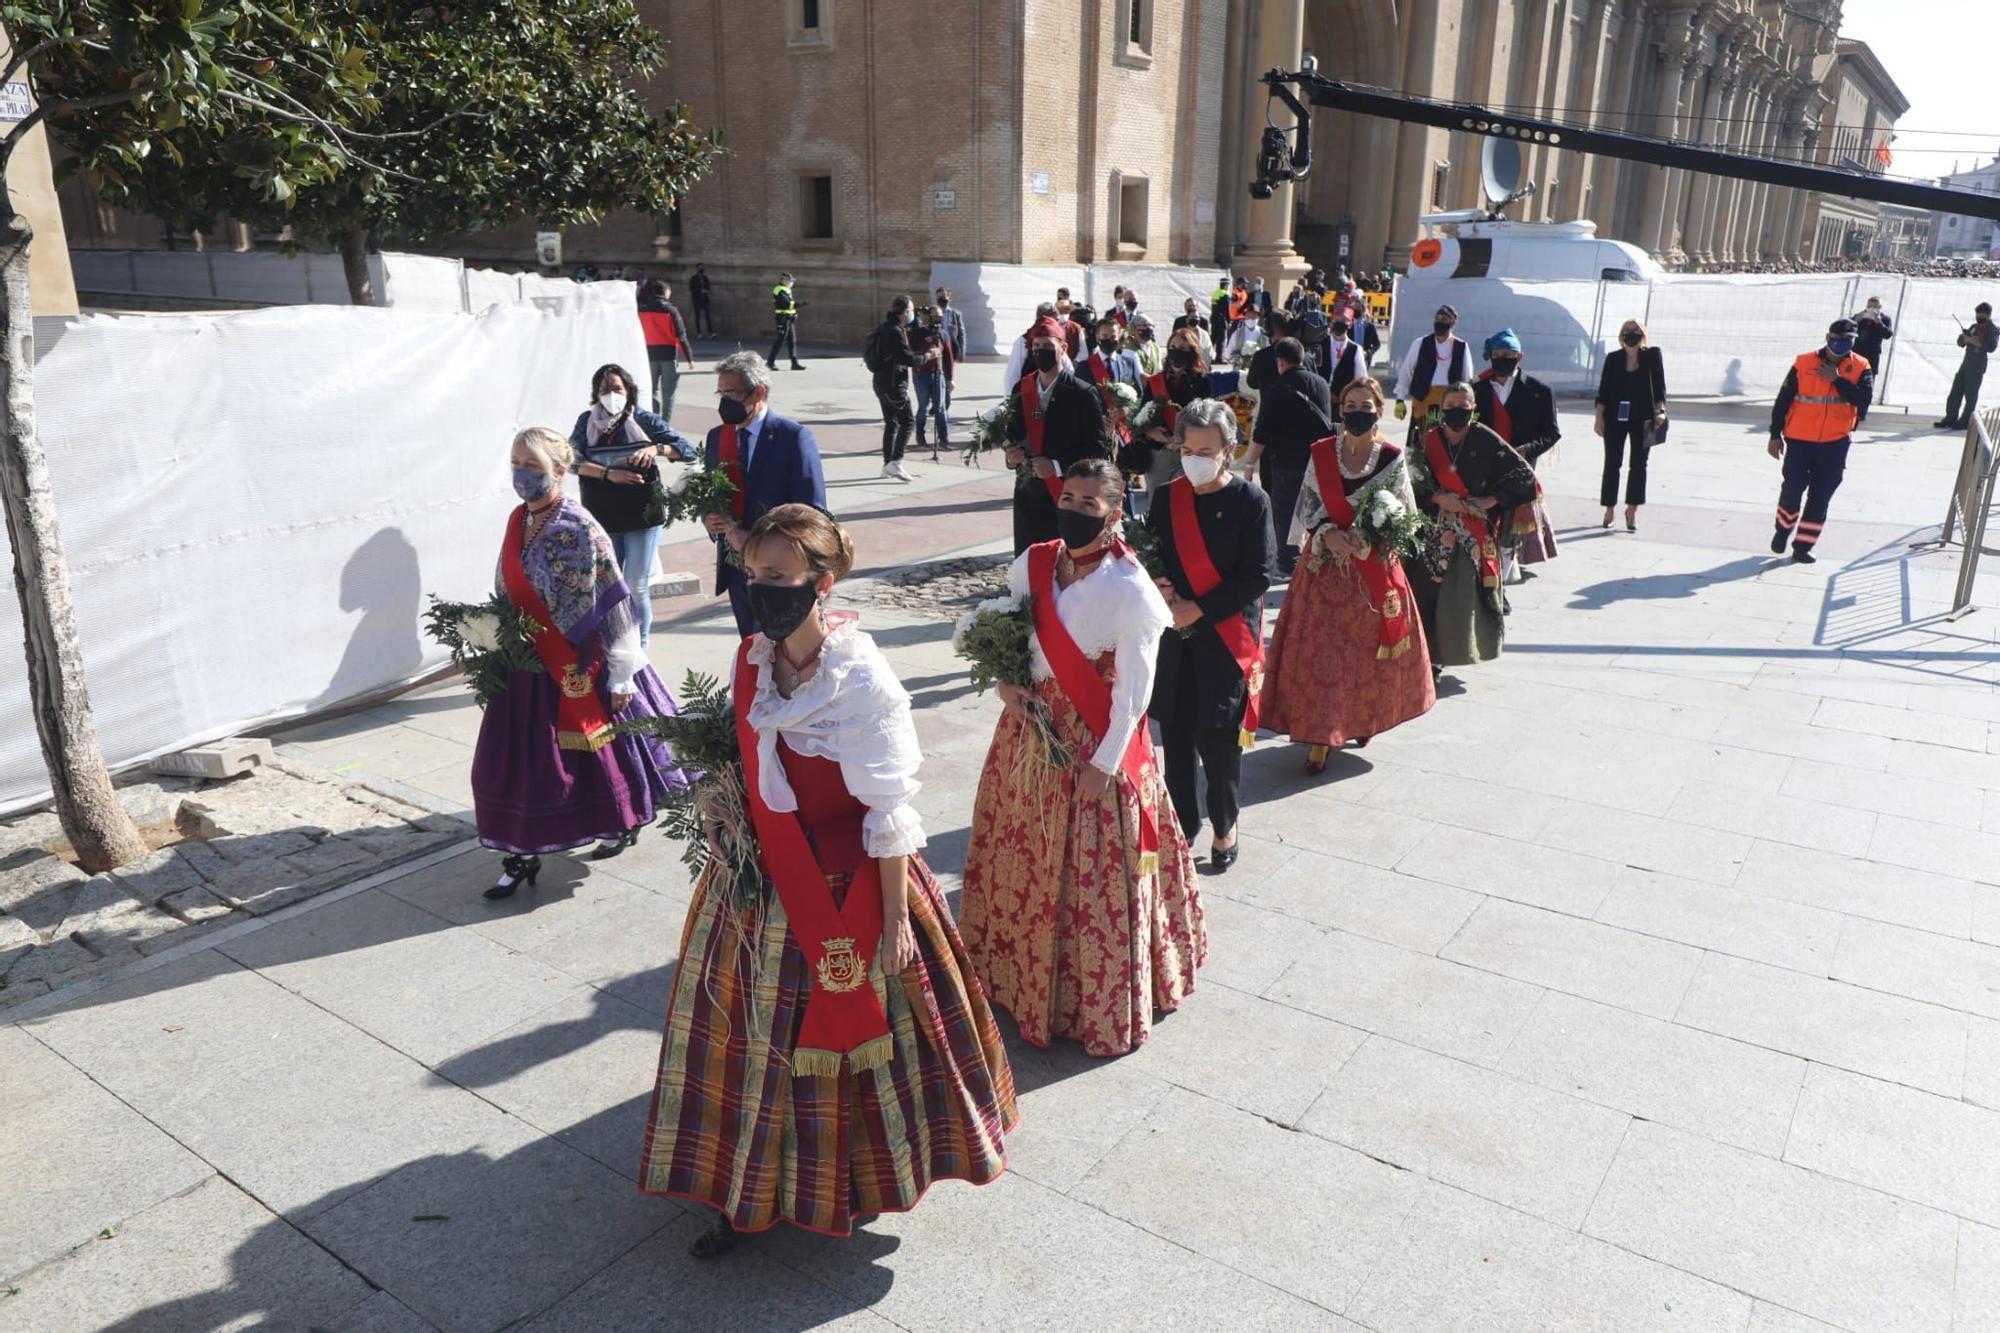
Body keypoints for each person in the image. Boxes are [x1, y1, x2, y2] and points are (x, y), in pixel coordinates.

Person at [640, 503, 1016, 1258]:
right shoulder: (753, 656)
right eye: (753, 575)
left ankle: (855, 1181)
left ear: (823, 581)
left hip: (853, 883)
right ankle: (740, 1188)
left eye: (778, 577)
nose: (761, 590)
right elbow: (746, 757)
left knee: (852, 1041)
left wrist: (899, 919)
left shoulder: (863, 679)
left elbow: (887, 808)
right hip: (762, 876)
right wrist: (722, 804)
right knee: (748, 1041)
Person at [959, 459, 1205, 1056]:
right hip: (1029, 734)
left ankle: (1087, 998)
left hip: (1091, 744)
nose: (1072, 507)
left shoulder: (1131, 591)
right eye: (1068, 495)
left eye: (1089, 503)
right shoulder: (1035, 562)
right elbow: (1014, 635)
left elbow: (1133, 696)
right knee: (1021, 852)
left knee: (1087, 872)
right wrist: (1004, 683)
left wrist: (1105, 763)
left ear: (1115, 513)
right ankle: (1016, 978)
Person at [472, 427, 690, 893]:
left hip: (578, 665)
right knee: (520, 765)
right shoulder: (518, 520)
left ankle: (618, 822)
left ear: (560, 470)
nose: (521, 473)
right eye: (516, 462)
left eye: (533, 465)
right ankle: (520, 852)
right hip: (526, 665)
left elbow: (613, 600)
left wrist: (623, 670)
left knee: (591, 761)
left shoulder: (579, 527)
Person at [1260, 377, 1435, 773]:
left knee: (1361, 656)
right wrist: (1327, 533)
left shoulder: (1391, 457)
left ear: (1379, 411)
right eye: (1351, 404)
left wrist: (1366, 537)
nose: (1358, 411)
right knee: (1323, 655)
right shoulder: (1321, 453)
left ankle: (1357, 719)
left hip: (1370, 571)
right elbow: (1306, 507)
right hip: (1324, 569)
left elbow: (1405, 516)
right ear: (1342, 410)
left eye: (1366, 405)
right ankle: (1321, 735)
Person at [1146, 401, 1275, 869]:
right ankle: (1181, 827)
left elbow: (1259, 574)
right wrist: (1158, 584)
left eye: (1206, 449)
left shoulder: (1250, 502)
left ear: (1228, 451)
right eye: (1188, 447)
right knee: (1175, 736)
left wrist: (1197, 607)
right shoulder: (1166, 497)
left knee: (1217, 739)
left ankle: (1225, 824)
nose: (1194, 457)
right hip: (1176, 641)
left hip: (1223, 637)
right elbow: (1152, 555)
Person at [1408, 382, 1539, 676]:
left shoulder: (1486, 440)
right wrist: (1436, 497)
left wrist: (1491, 500)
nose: (1456, 412)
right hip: (1432, 528)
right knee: (1425, 591)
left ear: (1474, 409)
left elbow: (1526, 478)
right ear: (1440, 410)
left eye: (1463, 407)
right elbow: (1411, 484)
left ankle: (1445, 655)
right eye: (1450, 407)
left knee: (1457, 598)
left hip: (1472, 531)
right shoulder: (1428, 441)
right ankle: (1423, 654)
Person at [702, 352, 829, 635]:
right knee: (750, 649)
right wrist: (711, 521)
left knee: (781, 648)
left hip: (780, 573)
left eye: (732, 393)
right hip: (737, 570)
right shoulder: (717, 437)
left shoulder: (793, 437)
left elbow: (812, 513)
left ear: (758, 392)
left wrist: (760, 541)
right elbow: (711, 493)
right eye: (720, 393)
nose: (724, 402)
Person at [568, 363, 691, 649]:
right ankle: (614, 645)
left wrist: (655, 449)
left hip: (642, 516)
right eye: (604, 389)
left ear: (629, 391)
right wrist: (608, 473)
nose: (611, 395)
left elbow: (684, 448)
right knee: (610, 587)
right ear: (596, 394)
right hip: (604, 516)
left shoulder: (644, 420)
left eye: (617, 388)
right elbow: (570, 460)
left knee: (636, 586)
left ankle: (640, 649)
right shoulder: (586, 422)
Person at [1769, 318, 1875, 564]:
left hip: (1834, 443)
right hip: (1799, 440)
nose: (1842, 345)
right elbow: (1783, 400)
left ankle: (1803, 546)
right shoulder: (1804, 363)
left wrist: (1836, 380)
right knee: (1792, 489)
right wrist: (1775, 434)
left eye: (1848, 341)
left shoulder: (1861, 366)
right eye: (1838, 340)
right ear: (1828, 338)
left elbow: (1863, 400)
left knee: (1821, 496)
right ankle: (1783, 530)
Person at [1005, 317, 1109, 553]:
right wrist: (1011, 455)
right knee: (1028, 555)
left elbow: (1096, 448)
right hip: (1028, 491)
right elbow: (1012, 433)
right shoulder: (1021, 390)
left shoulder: (1083, 393)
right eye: (1036, 347)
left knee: (1063, 558)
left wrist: (1056, 466)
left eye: (1047, 347)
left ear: (1063, 348)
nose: (1041, 352)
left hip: (1066, 493)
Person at [1473, 329, 1561, 576]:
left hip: (1521, 468)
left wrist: (1528, 449)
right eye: (1497, 354)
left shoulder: (1539, 391)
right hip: (1484, 468)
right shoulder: (1476, 390)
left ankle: (1503, 574)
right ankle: (1487, 568)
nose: (1502, 359)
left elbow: (1552, 432)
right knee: (1487, 518)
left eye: (1508, 354)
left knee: (1512, 522)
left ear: (1519, 356)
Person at [1244, 337, 1332, 579]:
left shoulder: (1278, 388)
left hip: (1287, 462)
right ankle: (1315, 557)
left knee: (1285, 513)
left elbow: (1262, 432)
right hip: (1319, 459)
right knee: (1315, 510)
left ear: (1280, 363)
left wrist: (1250, 463)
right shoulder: (1322, 384)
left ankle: (1288, 564)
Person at [1134, 327, 1241, 495]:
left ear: (1192, 352)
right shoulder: (1155, 381)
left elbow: (1209, 419)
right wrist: (1151, 432)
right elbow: (1141, 419)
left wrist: (1182, 441)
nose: (1177, 352)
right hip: (1160, 454)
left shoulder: (1202, 382)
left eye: (1183, 349)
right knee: (1160, 502)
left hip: (1193, 454)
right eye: (1173, 348)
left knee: (1190, 500)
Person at [1594, 319, 1668, 532]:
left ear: (1642, 334)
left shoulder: (1652, 355)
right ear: (1621, 335)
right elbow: (1603, 391)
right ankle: (1609, 508)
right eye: (1627, 331)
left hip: (1643, 417)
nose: (1631, 334)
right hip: (1615, 417)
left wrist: (1660, 411)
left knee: (1639, 464)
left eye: (1635, 331)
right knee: (1612, 463)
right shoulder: (1613, 358)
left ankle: (1632, 509)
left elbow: (1660, 387)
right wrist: (1599, 418)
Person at [1392, 304, 1473, 444]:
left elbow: (1467, 379)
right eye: (1437, 318)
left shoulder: (1462, 347)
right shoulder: (1420, 343)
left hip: (1449, 404)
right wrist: (1400, 399)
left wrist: (1468, 404)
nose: (1440, 321)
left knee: (1444, 443)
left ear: (1453, 323)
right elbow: (1406, 371)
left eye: (1445, 319)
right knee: (1420, 443)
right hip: (1424, 399)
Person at [867, 295, 921, 482]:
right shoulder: (895, 332)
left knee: (892, 423)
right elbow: (908, 359)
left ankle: (887, 465)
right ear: (905, 313)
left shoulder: (884, 327)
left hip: (881, 382)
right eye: (911, 310)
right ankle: (896, 462)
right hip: (893, 385)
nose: (913, 314)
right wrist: (928, 356)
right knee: (907, 422)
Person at [637, 280, 695, 422]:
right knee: (668, 393)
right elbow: (680, 336)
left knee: (651, 391)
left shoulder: (641, 309)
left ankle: (653, 420)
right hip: (668, 355)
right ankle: (665, 423)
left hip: (649, 355)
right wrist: (689, 358)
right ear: (666, 292)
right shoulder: (671, 310)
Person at [1938, 301, 1999, 431]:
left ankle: (1965, 421)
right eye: (1977, 314)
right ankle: (1950, 418)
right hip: (1966, 363)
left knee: (1970, 394)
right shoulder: (1974, 327)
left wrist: (1974, 342)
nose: (1978, 316)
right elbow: (1961, 341)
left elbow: (1991, 347)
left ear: (1988, 315)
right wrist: (1964, 338)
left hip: (1977, 364)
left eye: (1981, 314)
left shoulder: (1992, 329)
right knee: (1956, 391)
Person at [910, 304, 956, 457]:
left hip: (938, 374)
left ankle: (944, 439)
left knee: (941, 407)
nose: (937, 319)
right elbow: (911, 352)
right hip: (921, 374)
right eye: (934, 315)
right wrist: (927, 352)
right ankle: (920, 436)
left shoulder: (943, 334)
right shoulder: (918, 333)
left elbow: (949, 357)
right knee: (923, 406)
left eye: (940, 316)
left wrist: (950, 378)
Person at [1324, 311, 1365, 399]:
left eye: (1343, 320)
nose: (1339, 322)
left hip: (1343, 399)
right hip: (1321, 397)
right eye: (1336, 319)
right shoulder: (1320, 344)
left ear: (1350, 325)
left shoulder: (1356, 349)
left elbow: (1361, 378)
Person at [768, 271, 804, 371]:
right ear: (783, 280)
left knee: (792, 341)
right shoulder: (779, 289)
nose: (791, 282)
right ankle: (770, 362)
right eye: (790, 280)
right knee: (780, 340)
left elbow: (789, 306)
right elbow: (786, 304)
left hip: (789, 318)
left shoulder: (786, 289)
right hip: (782, 319)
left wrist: (794, 313)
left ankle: (794, 363)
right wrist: (800, 304)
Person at [1851, 295, 1894, 370]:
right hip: (1857, 351)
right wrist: (1856, 321)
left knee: (1869, 376)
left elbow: (1888, 335)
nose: (1871, 309)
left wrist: (1879, 323)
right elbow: (1846, 328)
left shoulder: (1885, 319)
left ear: (1880, 307)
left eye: (1874, 307)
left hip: (1872, 354)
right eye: (1869, 307)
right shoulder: (1860, 316)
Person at [934, 286, 967, 364]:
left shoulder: (956, 314)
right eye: (939, 297)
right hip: (937, 346)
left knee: (949, 372)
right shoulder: (932, 313)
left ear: (949, 298)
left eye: (944, 297)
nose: (941, 299)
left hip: (951, 346)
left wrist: (962, 352)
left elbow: (961, 335)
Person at [688, 263, 714, 336]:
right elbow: (691, 288)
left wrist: (706, 291)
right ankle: (699, 332)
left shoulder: (705, 278)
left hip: (705, 299)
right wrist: (699, 290)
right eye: (699, 268)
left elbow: (708, 287)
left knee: (708, 316)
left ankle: (710, 332)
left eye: (702, 268)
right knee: (697, 316)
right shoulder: (693, 278)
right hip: (697, 299)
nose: (701, 269)